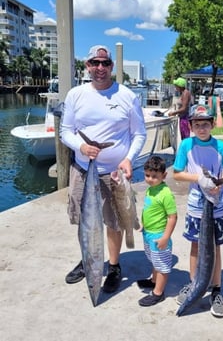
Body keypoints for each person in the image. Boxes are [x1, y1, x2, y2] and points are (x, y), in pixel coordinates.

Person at [60, 45, 147, 293]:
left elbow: (139, 133)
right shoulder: (75, 94)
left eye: (105, 63)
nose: (100, 68)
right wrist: (81, 146)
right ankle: (89, 259)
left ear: (111, 66)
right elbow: (66, 131)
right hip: (82, 169)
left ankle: (114, 265)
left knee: (114, 221)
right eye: (94, 63)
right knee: (84, 220)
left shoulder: (127, 96)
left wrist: (129, 158)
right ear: (87, 66)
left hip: (114, 174)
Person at [172, 104, 223, 317]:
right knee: (196, 246)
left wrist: (220, 182)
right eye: (197, 124)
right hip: (196, 206)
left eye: (205, 124)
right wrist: (199, 178)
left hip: (216, 206)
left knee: (215, 248)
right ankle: (194, 282)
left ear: (212, 125)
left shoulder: (222, 147)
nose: (201, 128)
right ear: (191, 126)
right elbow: (178, 173)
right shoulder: (186, 146)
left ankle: (216, 289)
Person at [137, 155, 177, 307]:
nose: (150, 179)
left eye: (154, 176)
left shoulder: (165, 194)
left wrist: (166, 237)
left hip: (159, 235)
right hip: (148, 233)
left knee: (162, 266)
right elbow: (148, 210)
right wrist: (143, 224)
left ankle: (158, 293)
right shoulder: (151, 189)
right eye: (147, 175)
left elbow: (172, 217)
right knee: (154, 260)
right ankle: (153, 281)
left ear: (164, 175)